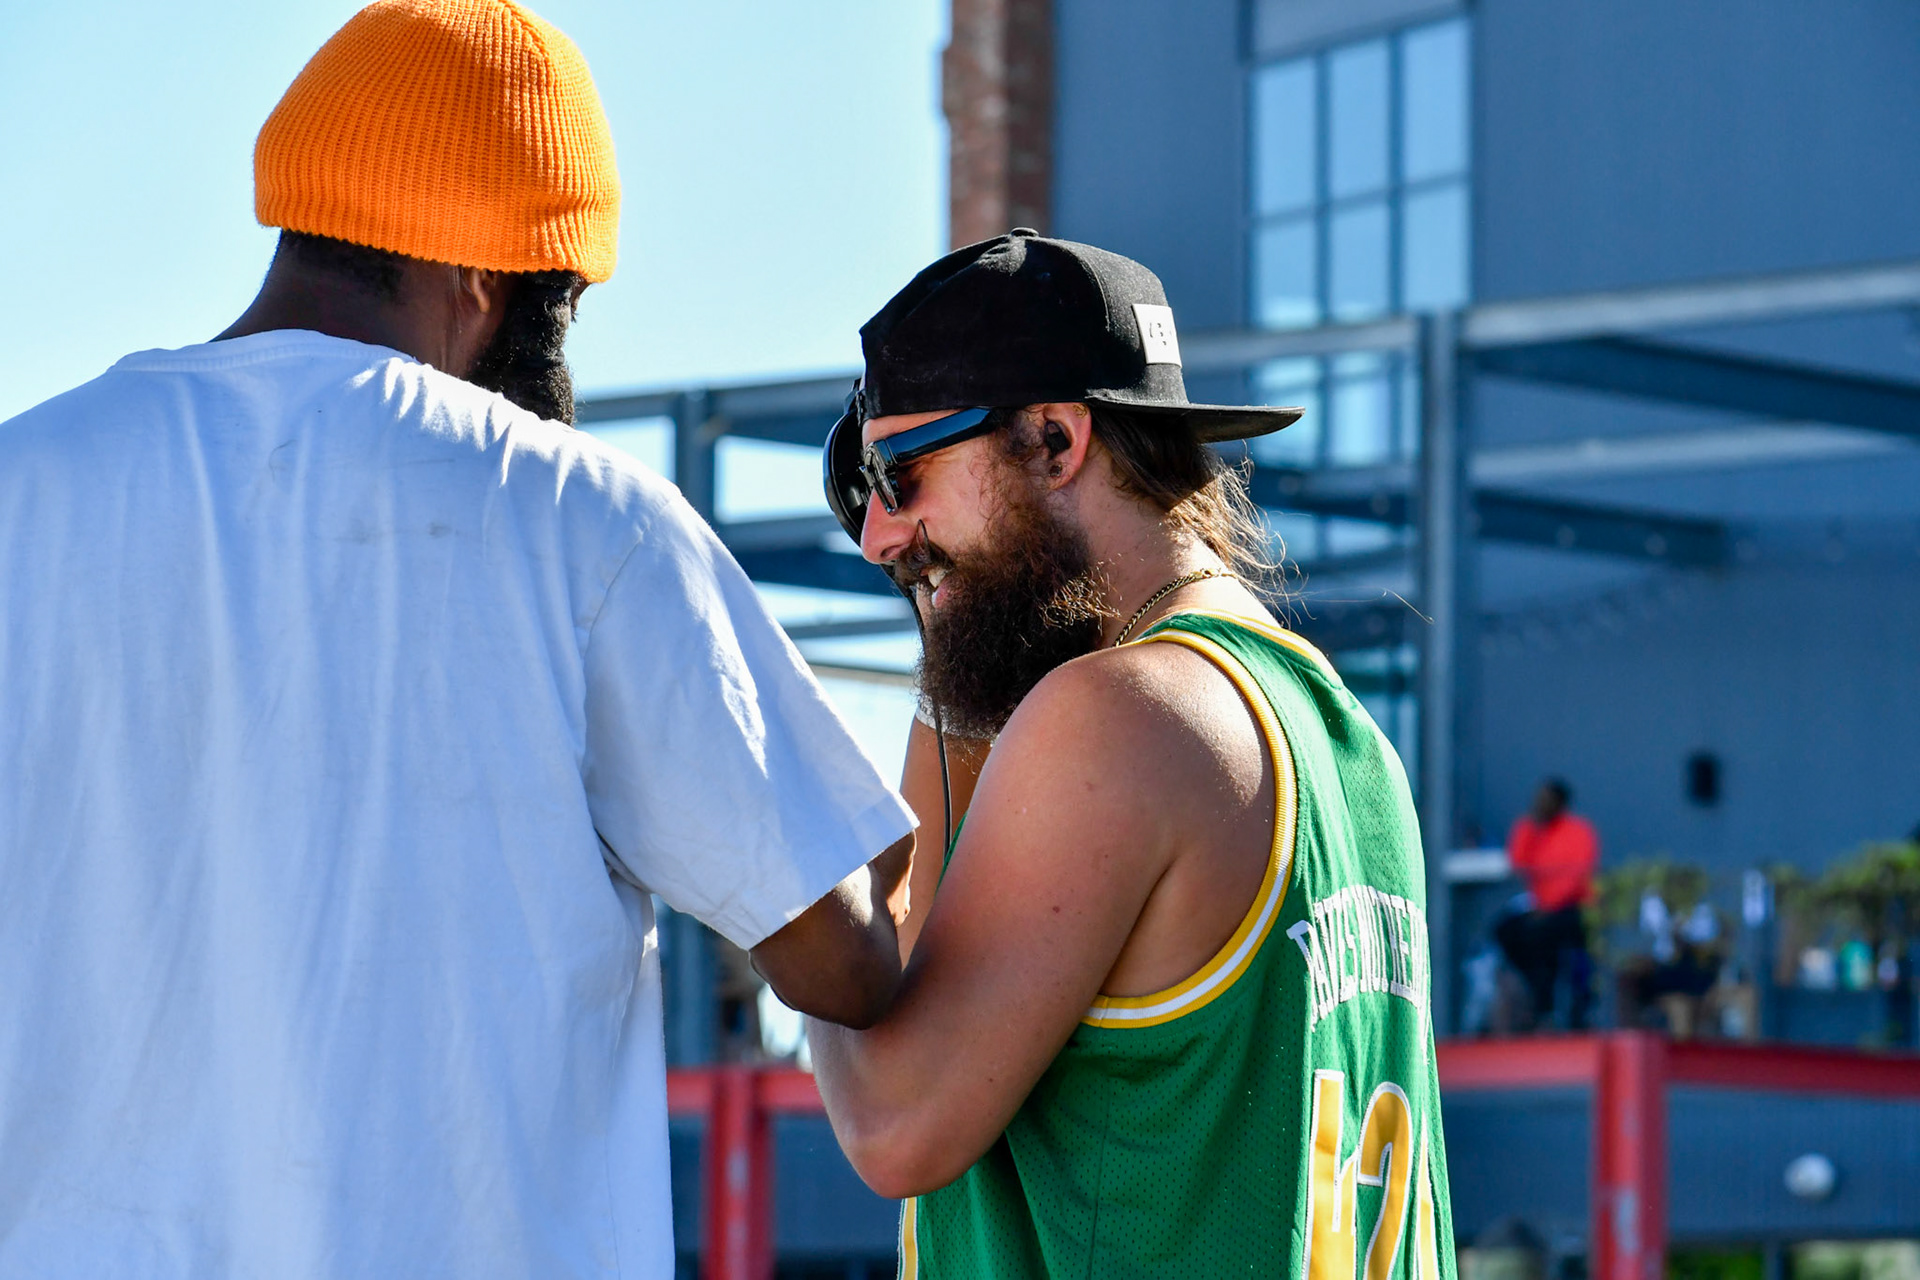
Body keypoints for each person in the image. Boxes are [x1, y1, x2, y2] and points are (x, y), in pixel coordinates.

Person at [0, 3, 915, 1276]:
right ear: (483, 285)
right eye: (560, 313)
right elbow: (847, 962)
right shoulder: (577, 518)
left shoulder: (23, 485)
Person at [807, 229, 1456, 1278]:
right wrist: (959, 627)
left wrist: (799, 869)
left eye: (901, 473)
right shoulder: (1348, 740)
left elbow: (895, 1126)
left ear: (1055, 441)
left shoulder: (1118, 717)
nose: (880, 537)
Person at [1495, 778, 1599, 1030]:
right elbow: (1517, 861)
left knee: (1542, 936)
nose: (1540, 804)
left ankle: (1554, 1008)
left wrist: (1548, 908)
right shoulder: (1533, 829)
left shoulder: (1577, 831)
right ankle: (1537, 995)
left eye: (1546, 800)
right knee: (1506, 931)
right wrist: (1531, 827)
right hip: (1540, 909)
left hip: (1572, 908)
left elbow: (1576, 878)